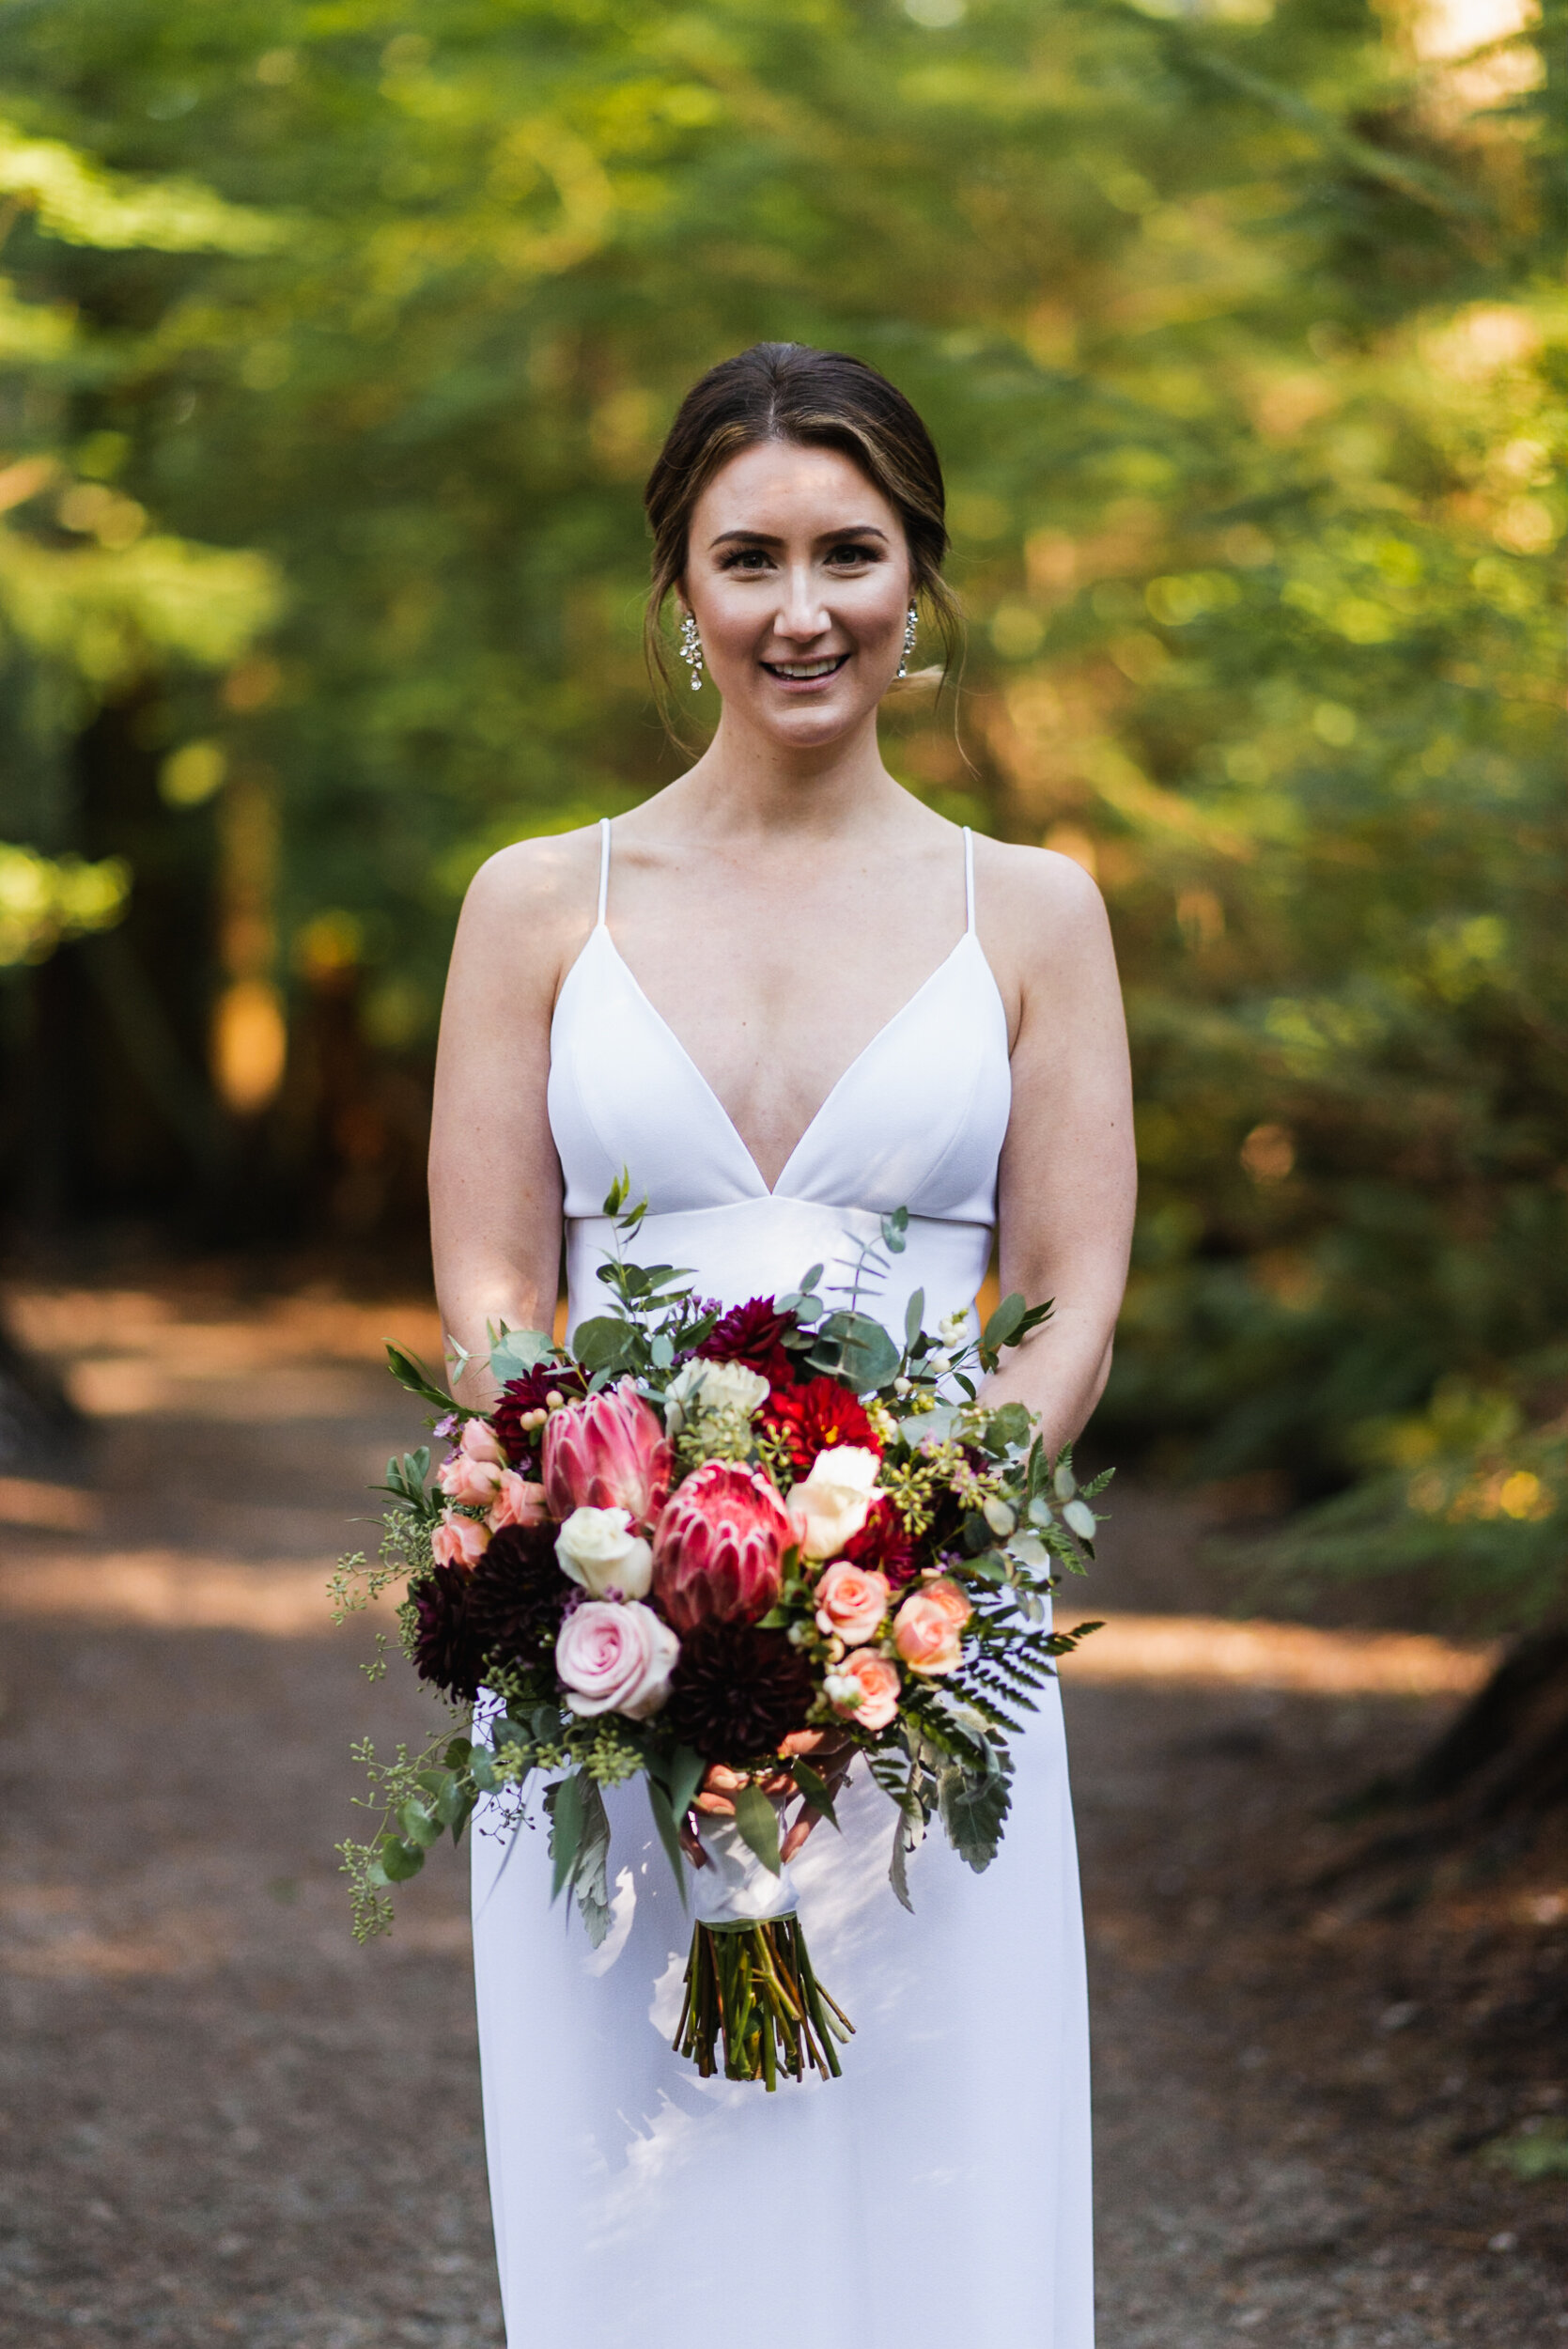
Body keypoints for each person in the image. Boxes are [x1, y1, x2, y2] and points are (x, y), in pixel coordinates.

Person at [428, 342, 1135, 2349]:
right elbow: (489, 1270)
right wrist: (602, 1521)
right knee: (632, 2130)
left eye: (851, 551)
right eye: (749, 557)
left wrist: (906, 1538)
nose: (800, 606)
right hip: (604, 1615)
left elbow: (1072, 1282)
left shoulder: (1034, 910)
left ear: (922, 581)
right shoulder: (537, 902)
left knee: (937, 2131)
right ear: (680, 589)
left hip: (934, 1626)